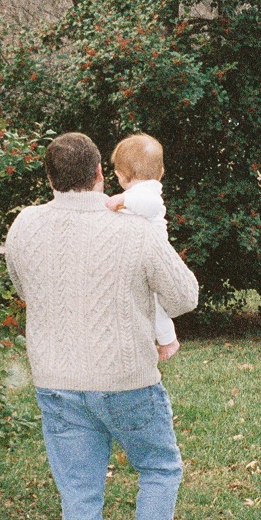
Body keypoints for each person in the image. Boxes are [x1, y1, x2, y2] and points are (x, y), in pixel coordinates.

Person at [4, 131, 201, 520]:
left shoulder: (25, 225)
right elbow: (185, 298)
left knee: (79, 496)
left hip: (57, 380)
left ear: (50, 179)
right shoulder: (136, 230)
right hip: (128, 378)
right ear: (98, 174)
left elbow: (24, 286)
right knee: (160, 467)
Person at [105, 133, 181, 361]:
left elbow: (151, 205)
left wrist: (124, 201)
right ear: (161, 171)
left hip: (155, 258)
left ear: (119, 175)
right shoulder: (134, 195)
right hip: (139, 259)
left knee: (156, 302)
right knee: (147, 302)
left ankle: (169, 340)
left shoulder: (147, 193)